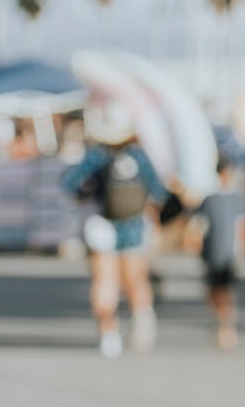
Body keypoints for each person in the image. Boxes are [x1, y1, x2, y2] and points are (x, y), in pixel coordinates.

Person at [60, 103, 166, 357]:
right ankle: (142, 321)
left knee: (104, 280)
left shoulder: (97, 156)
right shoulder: (139, 156)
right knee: (135, 278)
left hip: (103, 223)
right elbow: (159, 192)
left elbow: (69, 182)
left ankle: (109, 332)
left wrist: (86, 194)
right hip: (134, 223)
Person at [195, 158, 245, 349]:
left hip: (229, 252)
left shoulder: (239, 198)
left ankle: (226, 327)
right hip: (212, 251)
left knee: (225, 290)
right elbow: (198, 226)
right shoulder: (210, 199)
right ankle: (221, 321)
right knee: (214, 290)